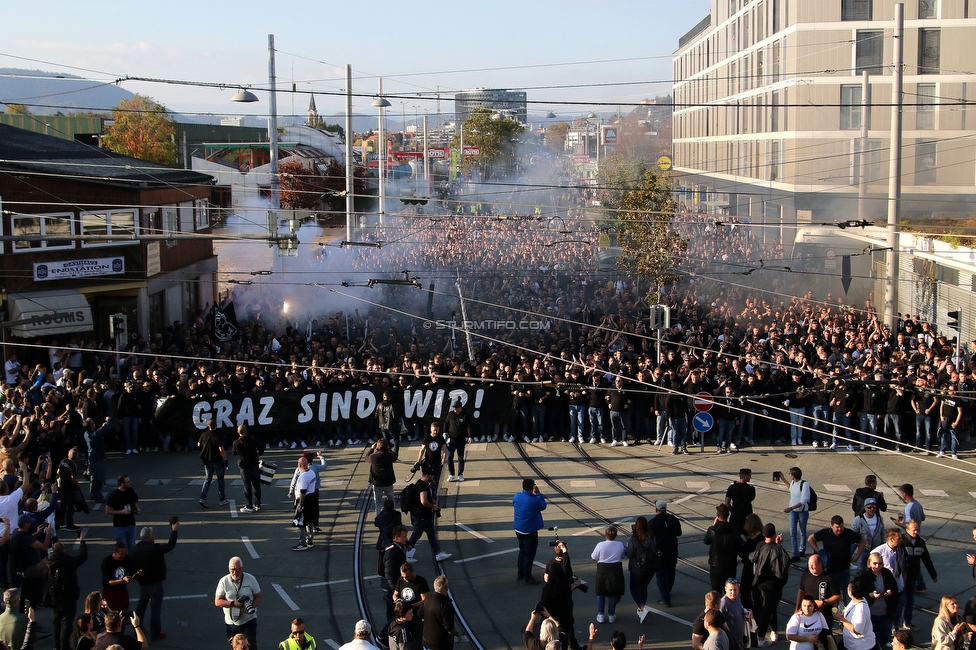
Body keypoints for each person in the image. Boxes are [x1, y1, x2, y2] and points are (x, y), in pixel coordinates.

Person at [23, 534, 88, 650]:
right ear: (63, 550)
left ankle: (55, 646)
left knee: (55, 623)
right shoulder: (68, 561)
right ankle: (64, 646)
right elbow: (83, 557)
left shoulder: (45, 563)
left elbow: (33, 571)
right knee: (66, 624)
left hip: (53, 598)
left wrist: (22, 573)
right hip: (68, 598)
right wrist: (82, 542)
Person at [127, 521, 179, 642]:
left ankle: (137, 629)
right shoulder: (154, 549)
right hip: (155, 583)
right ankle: (155, 633)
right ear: (149, 537)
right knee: (155, 609)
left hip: (143, 583)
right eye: (153, 535)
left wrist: (136, 575)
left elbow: (129, 566)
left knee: (141, 606)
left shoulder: (133, 551)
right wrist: (174, 530)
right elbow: (170, 545)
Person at [751, 523, 792, 646]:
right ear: (774, 534)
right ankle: (762, 637)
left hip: (760, 583)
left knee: (768, 608)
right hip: (774, 585)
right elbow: (787, 566)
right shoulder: (779, 550)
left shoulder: (760, 546)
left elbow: (757, 556)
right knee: (768, 609)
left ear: (764, 535)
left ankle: (771, 632)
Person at [808, 515, 867, 599]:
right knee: (827, 593)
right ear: (831, 526)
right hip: (829, 570)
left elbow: (862, 541)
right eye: (837, 527)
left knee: (843, 594)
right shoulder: (825, 533)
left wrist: (857, 555)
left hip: (843, 570)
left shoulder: (848, 533)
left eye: (841, 527)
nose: (840, 529)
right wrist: (818, 551)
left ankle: (842, 610)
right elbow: (811, 539)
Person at [405, 466, 452, 562]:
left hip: (425, 516)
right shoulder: (423, 486)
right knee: (416, 534)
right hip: (421, 515)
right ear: (427, 476)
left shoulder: (421, 483)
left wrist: (432, 500)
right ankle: (406, 554)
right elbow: (423, 501)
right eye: (432, 475)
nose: (433, 477)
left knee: (431, 534)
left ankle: (438, 553)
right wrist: (433, 506)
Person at [542, 540, 583, 650]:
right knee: (569, 627)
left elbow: (546, 579)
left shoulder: (548, 586)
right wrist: (577, 584)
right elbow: (568, 574)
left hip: (553, 610)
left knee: (555, 628)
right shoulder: (564, 580)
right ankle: (573, 644)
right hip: (565, 607)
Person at [216, 556, 262, 650]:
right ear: (229, 569)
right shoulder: (223, 581)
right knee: (236, 648)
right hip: (231, 623)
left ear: (242, 568)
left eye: (237, 569)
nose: (235, 572)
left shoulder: (250, 579)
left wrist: (252, 606)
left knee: (250, 646)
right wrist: (233, 604)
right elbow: (218, 601)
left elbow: (259, 596)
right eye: (232, 569)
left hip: (249, 621)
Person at [853, 552, 898, 648]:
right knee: (870, 638)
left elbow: (895, 588)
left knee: (884, 636)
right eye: (874, 563)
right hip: (870, 613)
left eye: (880, 563)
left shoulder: (886, 573)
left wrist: (890, 591)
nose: (877, 566)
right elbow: (855, 592)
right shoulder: (862, 575)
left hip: (886, 612)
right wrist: (870, 595)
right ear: (869, 563)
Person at [901, 520, 937, 632]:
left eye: (917, 529)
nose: (916, 531)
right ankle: (895, 624)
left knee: (910, 601)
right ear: (907, 530)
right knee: (899, 601)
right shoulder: (901, 541)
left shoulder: (920, 542)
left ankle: (908, 622)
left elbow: (927, 559)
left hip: (912, 577)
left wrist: (933, 574)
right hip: (900, 577)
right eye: (914, 529)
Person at [513, 478, 547, 586]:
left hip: (519, 529)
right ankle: (527, 577)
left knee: (522, 551)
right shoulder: (534, 500)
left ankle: (520, 574)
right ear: (533, 487)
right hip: (529, 531)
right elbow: (543, 505)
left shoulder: (517, 496)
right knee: (529, 554)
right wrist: (538, 494)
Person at [649, 499, 681, 607]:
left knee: (661, 574)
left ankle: (665, 596)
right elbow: (679, 533)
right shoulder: (673, 519)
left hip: (660, 551)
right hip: (672, 550)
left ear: (656, 509)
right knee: (671, 571)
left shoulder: (653, 522)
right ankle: (668, 589)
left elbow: (648, 537)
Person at [624, 516, 657, 624]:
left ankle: (642, 607)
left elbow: (629, 554)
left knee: (634, 588)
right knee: (643, 587)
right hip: (651, 567)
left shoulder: (633, 539)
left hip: (637, 568)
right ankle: (642, 608)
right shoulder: (652, 536)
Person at [796, 554, 841, 631]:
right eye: (809, 564)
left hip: (824, 614)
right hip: (808, 613)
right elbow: (801, 591)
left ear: (820, 565)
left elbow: (838, 596)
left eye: (813, 565)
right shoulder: (805, 575)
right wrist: (797, 608)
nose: (811, 567)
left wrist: (823, 602)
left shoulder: (829, 577)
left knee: (824, 636)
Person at [591, 526, 626, 624]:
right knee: (613, 591)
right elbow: (623, 555)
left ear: (606, 535)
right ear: (615, 535)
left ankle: (600, 614)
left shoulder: (600, 545)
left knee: (600, 591)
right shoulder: (620, 545)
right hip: (616, 570)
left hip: (602, 569)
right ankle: (611, 614)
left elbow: (593, 557)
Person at [705, 504, 743, 592]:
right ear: (728, 515)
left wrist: (714, 526)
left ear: (717, 516)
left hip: (716, 565)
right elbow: (739, 547)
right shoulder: (734, 531)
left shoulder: (713, 531)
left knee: (716, 592)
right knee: (730, 591)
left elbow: (706, 541)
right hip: (730, 565)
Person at [778, 467, 811, 561]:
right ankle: (796, 554)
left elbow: (804, 500)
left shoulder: (804, 484)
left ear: (794, 475)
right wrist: (783, 479)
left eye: (790, 474)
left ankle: (802, 549)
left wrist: (791, 508)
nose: (789, 475)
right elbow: (791, 488)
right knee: (793, 533)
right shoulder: (793, 483)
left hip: (802, 511)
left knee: (802, 531)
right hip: (792, 512)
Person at [421, 576, 462, 650]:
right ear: (446, 589)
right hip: (440, 644)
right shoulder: (446, 605)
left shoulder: (428, 599)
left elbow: (420, 614)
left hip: (426, 641)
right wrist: (458, 634)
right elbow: (448, 627)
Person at [393, 562, 429, 645]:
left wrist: (410, 606)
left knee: (418, 640)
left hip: (416, 618)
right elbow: (395, 594)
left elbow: (425, 599)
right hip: (404, 618)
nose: (405, 578)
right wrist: (397, 601)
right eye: (403, 576)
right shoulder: (401, 580)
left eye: (407, 576)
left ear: (413, 572)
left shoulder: (421, 581)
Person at [834, 580, 876, 650]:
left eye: (848, 589)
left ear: (850, 593)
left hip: (859, 646)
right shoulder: (856, 600)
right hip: (850, 642)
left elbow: (857, 630)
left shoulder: (861, 609)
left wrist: (841, 619)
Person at [198, 419, 229, 508]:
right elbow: (221, 449)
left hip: (208, 460)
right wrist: (225, 460)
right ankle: (222, 499)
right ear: (216, 425)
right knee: (220, 480)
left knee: (207, 479)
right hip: (218, 460)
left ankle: (202, 498)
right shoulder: (218, 435)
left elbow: (199, 444)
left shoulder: (204, 435)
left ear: (208, 426)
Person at [233, 424, 263, 514]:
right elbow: (261, 449)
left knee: (247, 486)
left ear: (238, 432)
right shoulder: (253, 439)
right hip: (254, 464)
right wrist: (257, 455)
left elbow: (234, 453)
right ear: (246, 431)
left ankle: (249, 505)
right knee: (256, 485)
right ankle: (257, 504)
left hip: (244, 466)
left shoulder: (236, 442)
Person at [292, 456, 319, 552]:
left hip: (304, 500)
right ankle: (310, 540)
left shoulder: (303, 477)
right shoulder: (311, 472)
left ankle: (302, 543)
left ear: (299, 465)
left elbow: (303, 492)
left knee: (300, 522)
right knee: (309, 520)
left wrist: (299, 505)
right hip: (311, 498)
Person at [101, 542, 138, 613]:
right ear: (115, 552)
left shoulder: (126, 559)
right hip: (110, 592)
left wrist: (136, 575)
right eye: (121, 554)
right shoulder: (107, 562)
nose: (123, 556)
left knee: (123, 611)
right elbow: (107, 582)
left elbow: (132, 571)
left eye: (124, 553)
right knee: (111, 612)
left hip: (122, 590)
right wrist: (122, 580)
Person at [381, 527, 409, 621]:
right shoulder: (392, 552)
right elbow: (389, 573)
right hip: (391, 587)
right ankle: (391, 630)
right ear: (397, 538)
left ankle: (390, 631)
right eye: (404, 537)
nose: (406, 539)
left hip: (391, 586)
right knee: (395, 612)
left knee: (391, 612)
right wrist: (395, 589)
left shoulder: (398, 548)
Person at [105, 475, 139, 549]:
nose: (130, 483)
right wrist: (121, 512)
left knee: (132, 546)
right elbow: (107, 511)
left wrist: (137, 510)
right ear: (122, 484)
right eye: (128, 482)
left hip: (131, 524)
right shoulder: (114, 496)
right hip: (120, 526)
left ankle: (131, 560)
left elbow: (134, 502)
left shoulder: (130, 491)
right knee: (122, 547)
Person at [851, 499, 886, 572]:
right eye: (869, 507)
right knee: (862, 570)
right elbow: (853, 535)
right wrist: (862, 543)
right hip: (864, 550)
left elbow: (882, 533)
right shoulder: (859, 519)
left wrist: (883, 545)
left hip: (876, 549)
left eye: (874, 507)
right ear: (865, 508)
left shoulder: (879, 518)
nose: (872, 509)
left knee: (876, 570)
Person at [367, 439, 397, 516]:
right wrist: (389, 449)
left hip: (377, 483)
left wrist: (372, 449)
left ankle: (379, 518)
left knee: (378, 502)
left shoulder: (373, 456)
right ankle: (393, 516)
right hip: (388, 482)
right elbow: (395, 456)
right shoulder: (389, 456)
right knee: (391, 500)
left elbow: (367, 458)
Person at [720, 578, 751, 650]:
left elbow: (740, 608)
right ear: (725, 589)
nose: (733, 592)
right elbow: (720, 622)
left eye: (735, 590)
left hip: (741, 638)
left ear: (738, 589)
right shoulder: (723, 604)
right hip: (732, 642)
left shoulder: (737, 598)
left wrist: (746, 611)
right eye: (730, 590)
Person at [444, 400, 471, 482]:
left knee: (460, 458)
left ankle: (460, 474)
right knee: (449, 457)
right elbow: (446, 423)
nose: (455, 409)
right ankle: (451, 474)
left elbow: (469, 426)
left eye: (456, 408)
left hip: (461, 440)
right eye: (454, 408)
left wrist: (470, 436)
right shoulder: (450, 414)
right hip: (451, 440)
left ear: (460, 407)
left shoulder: (465, 415)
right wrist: (445, 432)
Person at [414, 422, 447, 489]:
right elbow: (422, 450)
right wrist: (419, 460)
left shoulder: (440, 437)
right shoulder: (427, 438)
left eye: (437, 430)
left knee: (436, 478)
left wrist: (444, 458)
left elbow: (444, 449)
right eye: (434, 430)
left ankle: (434, 491)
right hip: (428, 461)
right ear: (431, 430)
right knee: (427, 478)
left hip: (437, 461)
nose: (436, 432)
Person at [724, 469, 755, 536]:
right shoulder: (751, 489)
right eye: (749, 476)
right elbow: (751, 499)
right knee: (748, 535)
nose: (750, 477)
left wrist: (731, 510)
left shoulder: (732, 488)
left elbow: (726, 503)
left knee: (733, 535)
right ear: (746, 476)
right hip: (747, 515)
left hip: (735, 516)